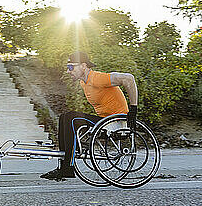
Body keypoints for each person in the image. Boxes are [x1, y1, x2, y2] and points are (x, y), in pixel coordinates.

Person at [40, 51, 138, 181]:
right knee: (64, 117)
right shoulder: (84, 82)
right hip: (104, 122)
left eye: (71, 67)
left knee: (71, 117)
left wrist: (133, 109)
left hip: (116, 123)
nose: (68, 71)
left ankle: (68, 167)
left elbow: (129, 78)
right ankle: (64, 166)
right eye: (67, 67)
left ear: (83, 66)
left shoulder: (97, 78)